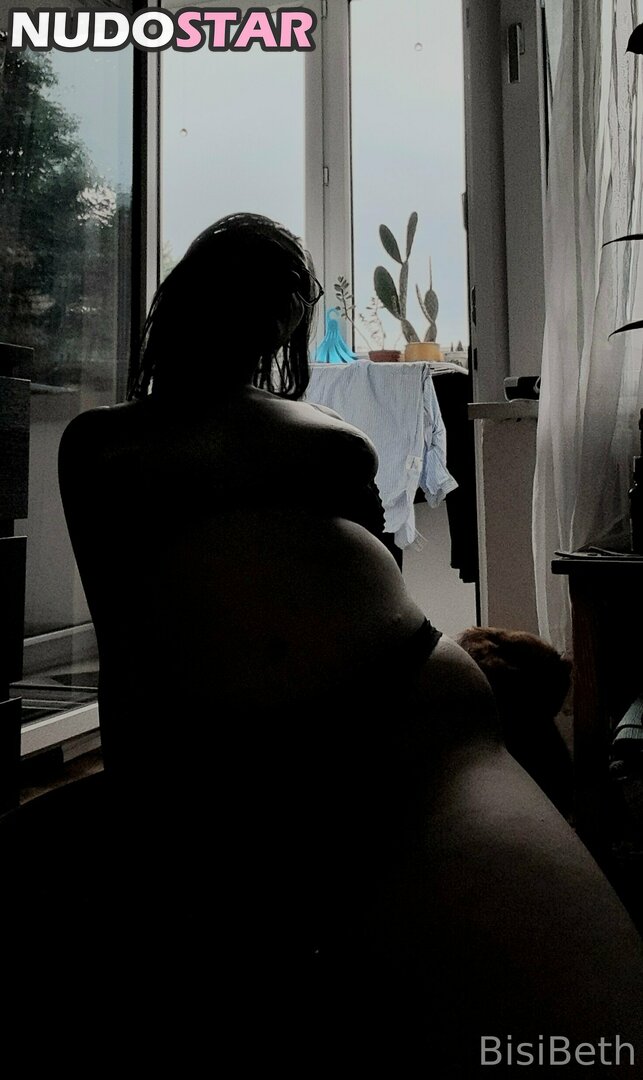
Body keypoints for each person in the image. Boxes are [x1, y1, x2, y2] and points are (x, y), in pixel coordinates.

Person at [57, 213, 643, 1074]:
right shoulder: (101, 441)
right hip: (232, 758)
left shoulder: (309, 424)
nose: (279, 312)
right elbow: (122, 629)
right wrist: (139, 788)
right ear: (198, 296)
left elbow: (376, 571)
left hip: (411, 726)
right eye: (265, 287)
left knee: (588, 1029)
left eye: (289, 296)